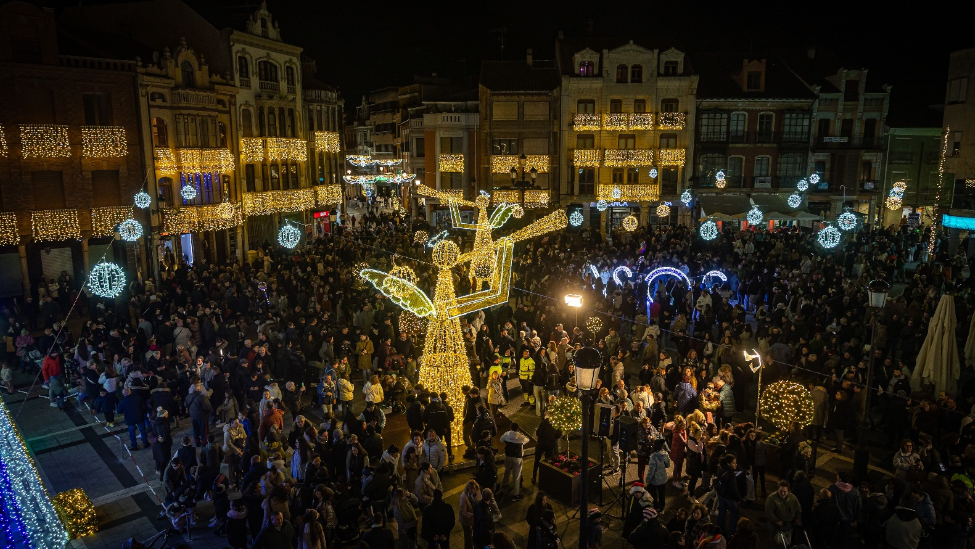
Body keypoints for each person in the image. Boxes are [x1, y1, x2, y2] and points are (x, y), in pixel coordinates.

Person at [765, 480, 802, 545]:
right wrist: (776, 520)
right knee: (777, 543)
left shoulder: (793, 498)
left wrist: (798, 518)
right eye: (781, 491)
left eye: (785, 491)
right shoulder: (772, 498)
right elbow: (769, 512)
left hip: (789, 525)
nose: (782, 493)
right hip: (776, 526)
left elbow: (798, 509)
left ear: (788, 491)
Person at [714, 453, 742, 537]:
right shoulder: (731, 473)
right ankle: (730, 533)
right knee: (734, 514)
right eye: (733, 463)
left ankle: (720, 530)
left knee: (722, 513)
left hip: (721, 495)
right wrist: (738, 498)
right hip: (730, 498)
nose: (735, 465)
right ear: (728, 463)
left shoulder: (720, 469)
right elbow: (734, 489)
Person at [500, 423, 529, 501]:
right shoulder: (520, 436)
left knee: (507, 471)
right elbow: (527, 440)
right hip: (517, 458)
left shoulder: (507, 434)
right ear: (518, 429)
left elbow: (501, 440)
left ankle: (505, 483)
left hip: (508, 456)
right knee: (516, 476)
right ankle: (515, 494)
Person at [533, 411, 562, 484]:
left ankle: (534, 477)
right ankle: (546, 479)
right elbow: (558, 435)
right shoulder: (556, 424)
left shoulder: (544, 422)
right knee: (547, 462)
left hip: (541, 444)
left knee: (537, 460)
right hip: (550, 445)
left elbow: (538, 433)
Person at [645, 439, 671, 512]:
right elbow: (668, 465)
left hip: (655, 479)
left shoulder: (653, 456)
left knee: (653, 494)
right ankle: (662, 506)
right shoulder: (665, 454)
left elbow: (651, 470)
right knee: (662, 493)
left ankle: (656, 506)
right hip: (663, 478)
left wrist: (648, 479)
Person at [459, 480, 480, 549]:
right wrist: (471, 515)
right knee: (468, 537)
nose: (472, 490)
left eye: (474, 488)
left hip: (473, 519)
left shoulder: (477, 493)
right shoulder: (464, 497)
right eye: (471, 489)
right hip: (466, 521)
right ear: (467, 489)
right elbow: (462, 512)